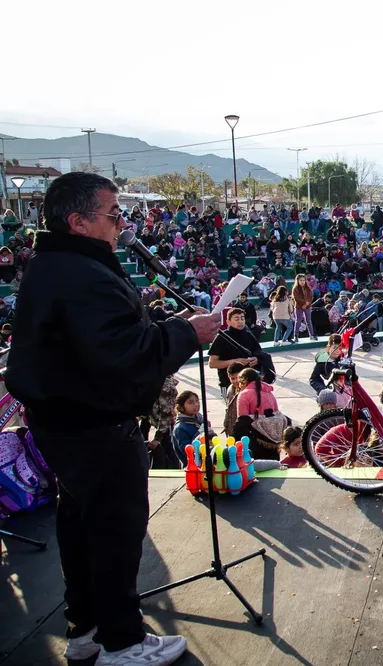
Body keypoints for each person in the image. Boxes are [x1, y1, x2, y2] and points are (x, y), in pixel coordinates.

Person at [6, 172, 216, 663]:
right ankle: (122, 642)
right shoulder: (80, 275)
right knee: (116, 533)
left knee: (81, 525)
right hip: (95, 426)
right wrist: (187, 334)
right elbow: (123, 355)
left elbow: (103, 339)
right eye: (113, 214)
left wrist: (166, 326)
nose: (122, 224)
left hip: (64, 422)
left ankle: (87, 629)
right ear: (79, 221)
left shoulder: (55, 264)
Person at [208, 308, 265, 399]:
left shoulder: (249, 335)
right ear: (228, 322)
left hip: (249, 383)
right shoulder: (222, 338)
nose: (240, 321)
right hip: (228, 384)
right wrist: (234, 362)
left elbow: (259, 353)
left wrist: (256, 360)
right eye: (236, 319)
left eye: (242, 318)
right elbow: (212, 363)